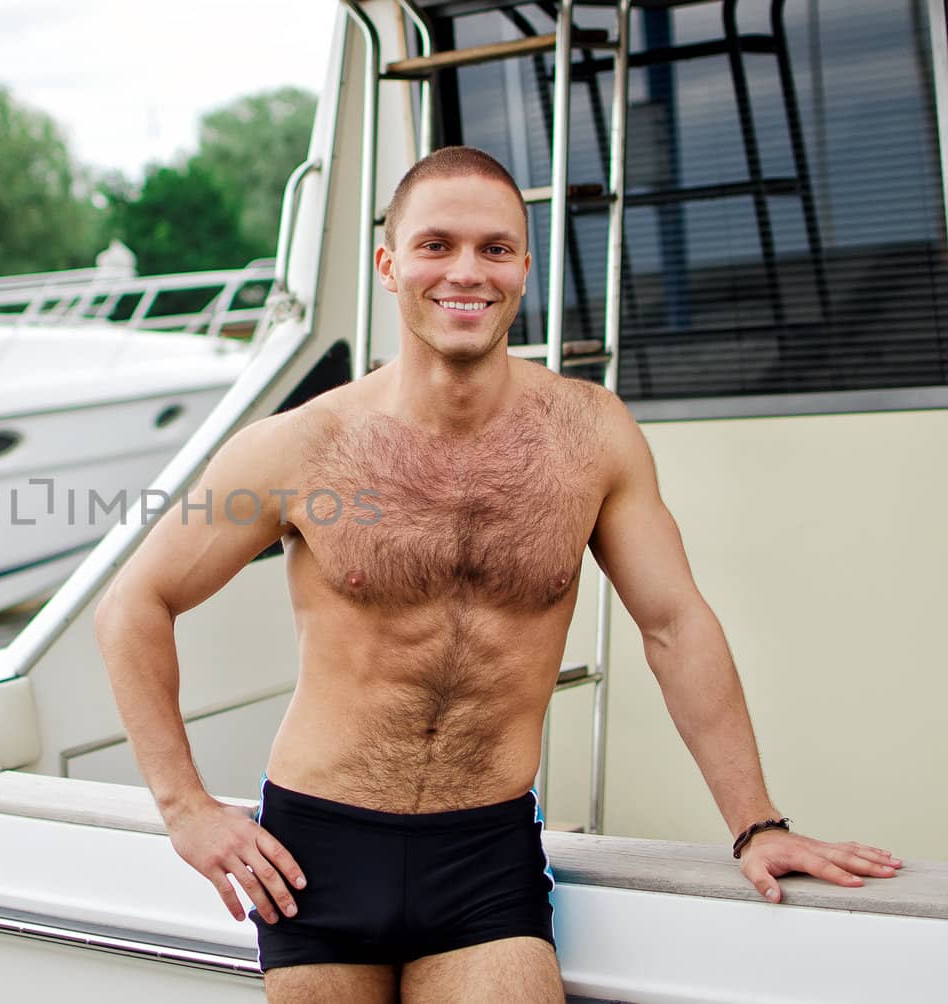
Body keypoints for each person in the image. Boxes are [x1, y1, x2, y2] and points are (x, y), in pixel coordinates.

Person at [93, 145, 902, 1003]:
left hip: (483, 857)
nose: (466, 273)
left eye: (496, 248)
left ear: (523, 267)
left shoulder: (593, 435)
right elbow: (134, 603)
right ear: (389, 264)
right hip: (316, 854)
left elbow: (673, 625)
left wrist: (755, 824)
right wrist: (186, 809)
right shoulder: (300, 446)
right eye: (436, 245)